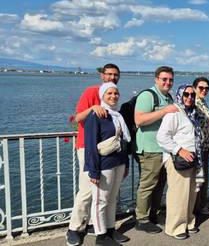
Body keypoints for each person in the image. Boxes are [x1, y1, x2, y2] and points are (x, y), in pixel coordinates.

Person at [66, 63, 129, 246]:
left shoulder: (114, 98)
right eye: (109, 74)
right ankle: (74, 228)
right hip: (88, 147)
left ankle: (105, 228)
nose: (112, 78)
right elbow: (75, 119)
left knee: (109, 193)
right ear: (102, 75)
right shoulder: (91, 92)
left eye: (115, 75)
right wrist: (92, 108)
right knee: (87, 190)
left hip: (110, 151)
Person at [84, 82, 130, 246]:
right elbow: (90, 145)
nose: (113, 96)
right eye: (109, 93)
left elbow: (123, 141)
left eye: (116, 93)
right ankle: (101, 235)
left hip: (118, 163)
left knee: (111, 199)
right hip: (103, 165)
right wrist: (93, 171)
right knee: (100, 201)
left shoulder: (117, 115)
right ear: (102, 95)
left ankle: (110, 229)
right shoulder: (96, 116)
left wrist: (126, 164)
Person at [134, 66, 178, 233]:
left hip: (164, 149)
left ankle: (153, 214)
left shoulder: (168, 97)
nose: (168, 82)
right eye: (164, 79)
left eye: (170, 80)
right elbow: (139, 119)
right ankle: (142, 219)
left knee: (160, 184)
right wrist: (165, 111)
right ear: (156, 79)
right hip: (150, 148)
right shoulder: (148, 95)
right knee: (147, 185)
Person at [156, 85, 203, 240]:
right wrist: (179, 150)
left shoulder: (192, 113)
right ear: (180, 95)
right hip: (177, 159)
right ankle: (174, 227)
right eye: (186, 94)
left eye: (192, 95)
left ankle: (188, 221)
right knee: (178, 194)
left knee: (190, 193)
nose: (189, 97)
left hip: (191, 159)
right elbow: (162, 137)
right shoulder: (174, 112)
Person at [193, 77, 209, 215]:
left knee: (203, 177)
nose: (204, 90)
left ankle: (200, 205)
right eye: (201, 88)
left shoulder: (203, 102)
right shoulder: (193, 102)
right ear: (194, 88)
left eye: (207, 88)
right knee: (197, 179)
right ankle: (194, 208)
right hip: (196, 148)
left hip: (205, 146)